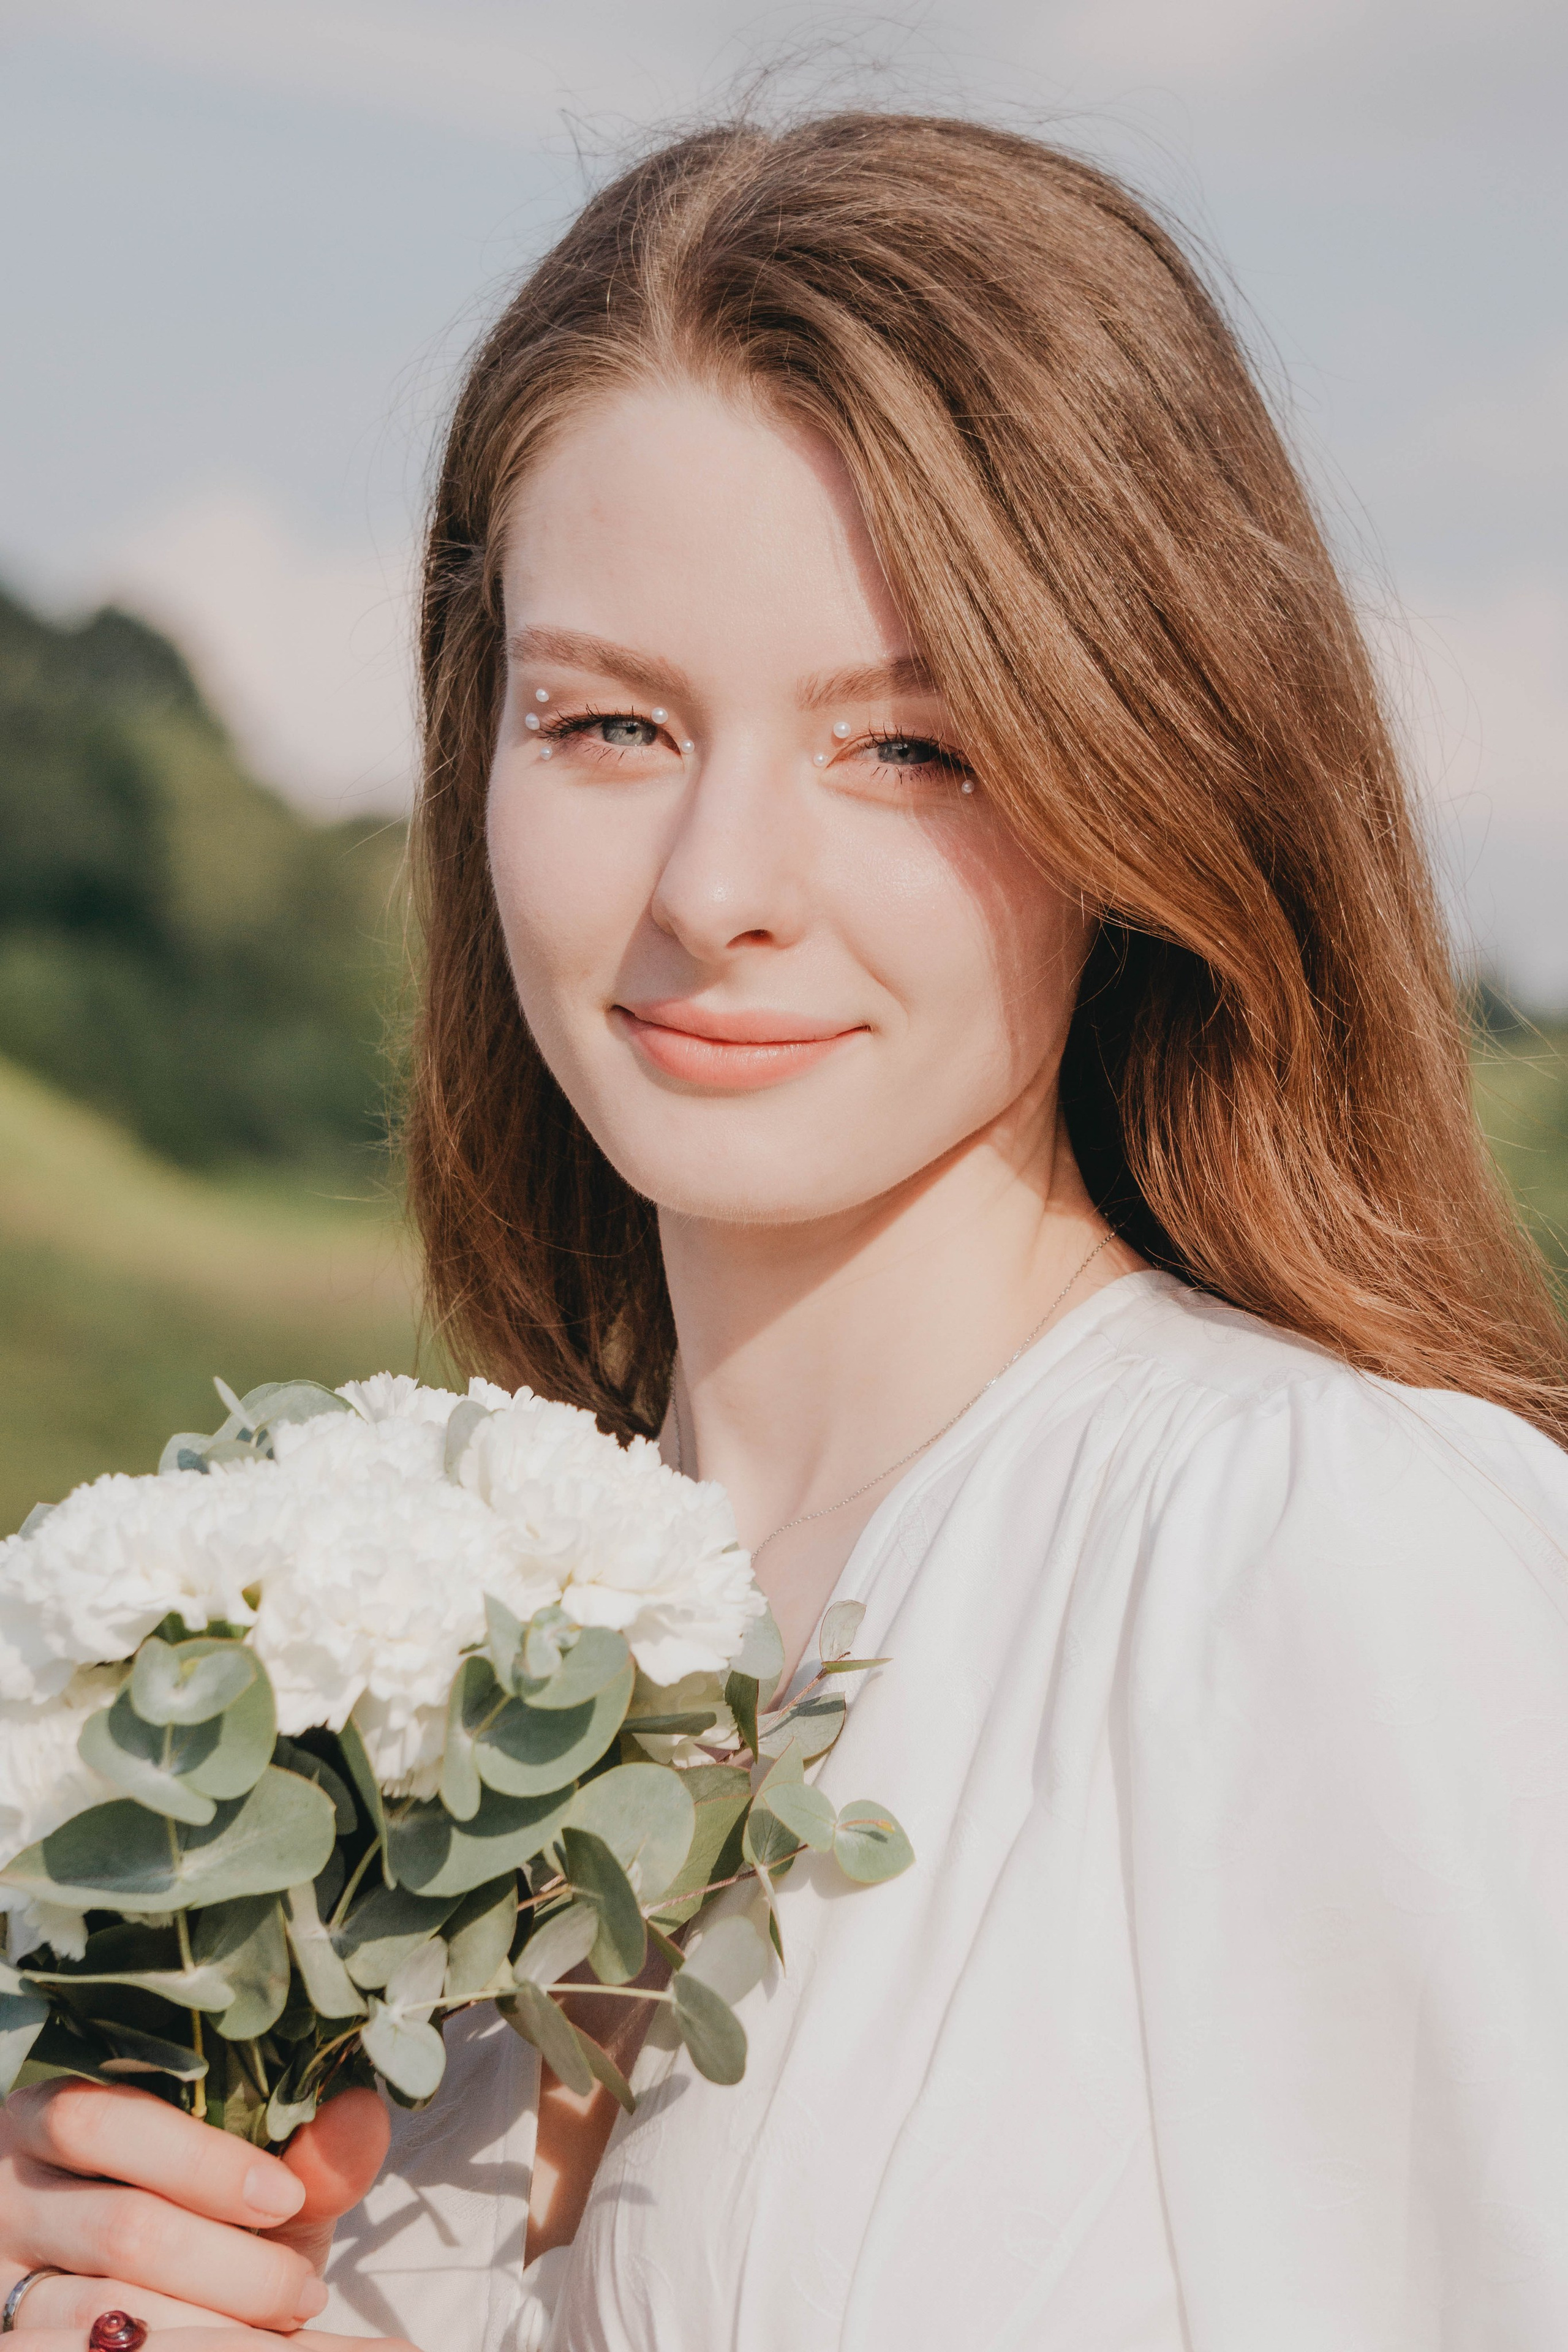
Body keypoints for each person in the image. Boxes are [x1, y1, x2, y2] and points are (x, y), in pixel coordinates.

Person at [3, 108, 1567, 2351]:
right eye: (612, 722)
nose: (716, 884)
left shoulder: (1327, 1554)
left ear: (1147, 778)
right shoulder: (359, 1662)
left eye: (907, 749)